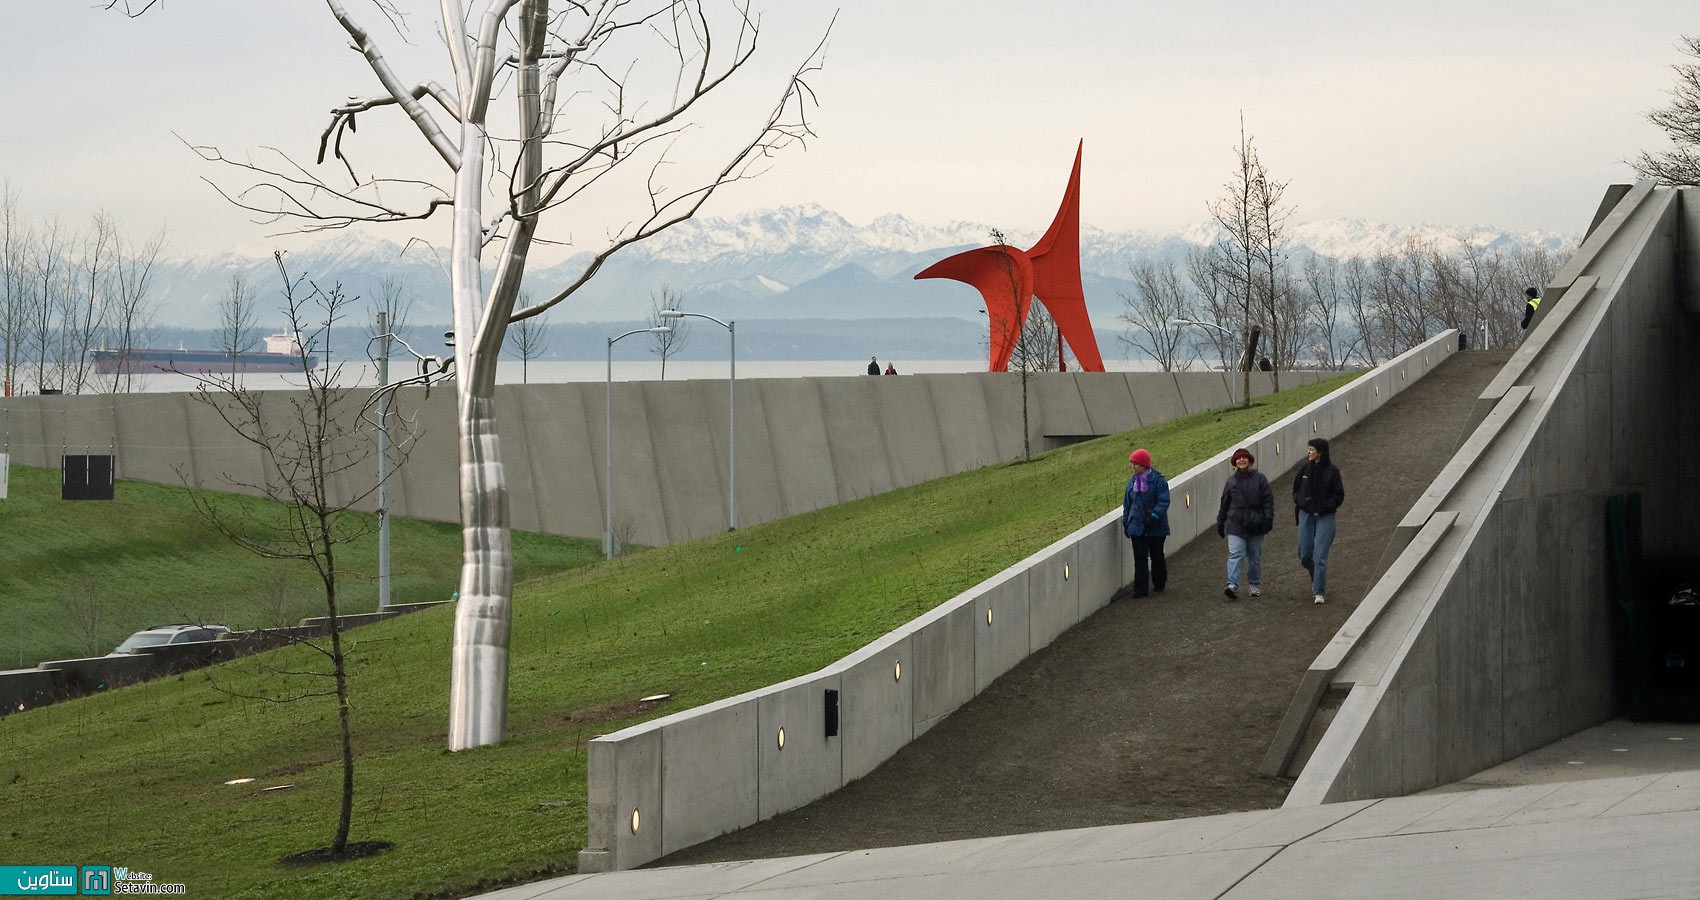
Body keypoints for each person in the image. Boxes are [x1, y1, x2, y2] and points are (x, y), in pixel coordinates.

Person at [1292, 437, 1345, 604]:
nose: (1309, 452)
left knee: (1320, 555)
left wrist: (1326, 506)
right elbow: (1296, 491)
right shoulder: (1304, 470)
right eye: (1308, 449)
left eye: (1312, 449)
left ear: (1320, 452)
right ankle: (1316, 576)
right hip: (1306, 515)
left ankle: (1319, 591)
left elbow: (1339, 495)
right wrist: (1303, 503)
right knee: (1305, 554)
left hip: (1325, 516)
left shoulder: (1332, 471)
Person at [1216, 447, 1274, 600]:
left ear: (1250, 461)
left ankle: (1254, 584)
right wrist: (1221, 523)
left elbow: (1268, 501)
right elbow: (1224, 503)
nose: (1241, 460)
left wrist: (1268, 519)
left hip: (1256, 524)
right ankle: (1232, 584)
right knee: (1236, 553)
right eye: (1238, 459)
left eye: (1244, 458)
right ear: (1235, 463)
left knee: (1254, 556)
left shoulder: (1260, 479)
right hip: (1235, 524)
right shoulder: (1231, 481)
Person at [1121, 448, 1171, 598]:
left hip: (1155, 526)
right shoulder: (1132, 482)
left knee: (1156, 556)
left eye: (1136, 464)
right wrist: (1126, 522)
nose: (1133, 467)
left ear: (1144, 465)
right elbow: (1127, 503)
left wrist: (1154, 515)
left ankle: (1159, 582)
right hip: (1137, 527)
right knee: (1140, 558)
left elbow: (1164, 500)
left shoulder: (1158, 480)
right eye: (1133, 464)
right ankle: (1140, 589)